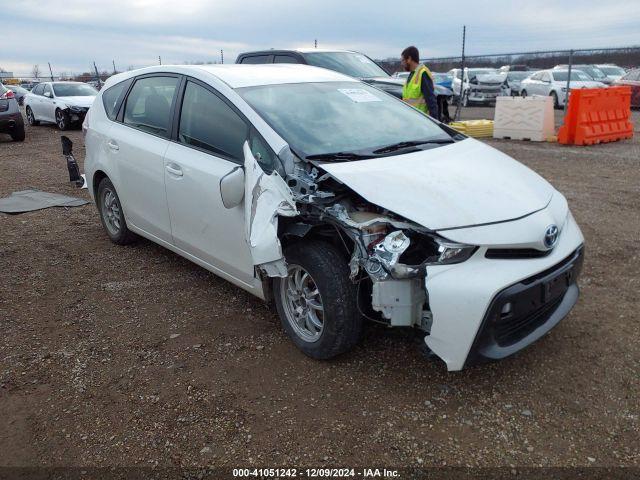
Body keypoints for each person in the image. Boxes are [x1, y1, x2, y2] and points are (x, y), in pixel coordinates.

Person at [400, 46, 439, 120]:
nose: (402, 63)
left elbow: (431, 100)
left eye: (403, 60)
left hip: (421, 120)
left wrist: (435, 122)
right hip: (411, 119)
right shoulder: (412, 74)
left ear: (409, 59)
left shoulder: (423, 73)